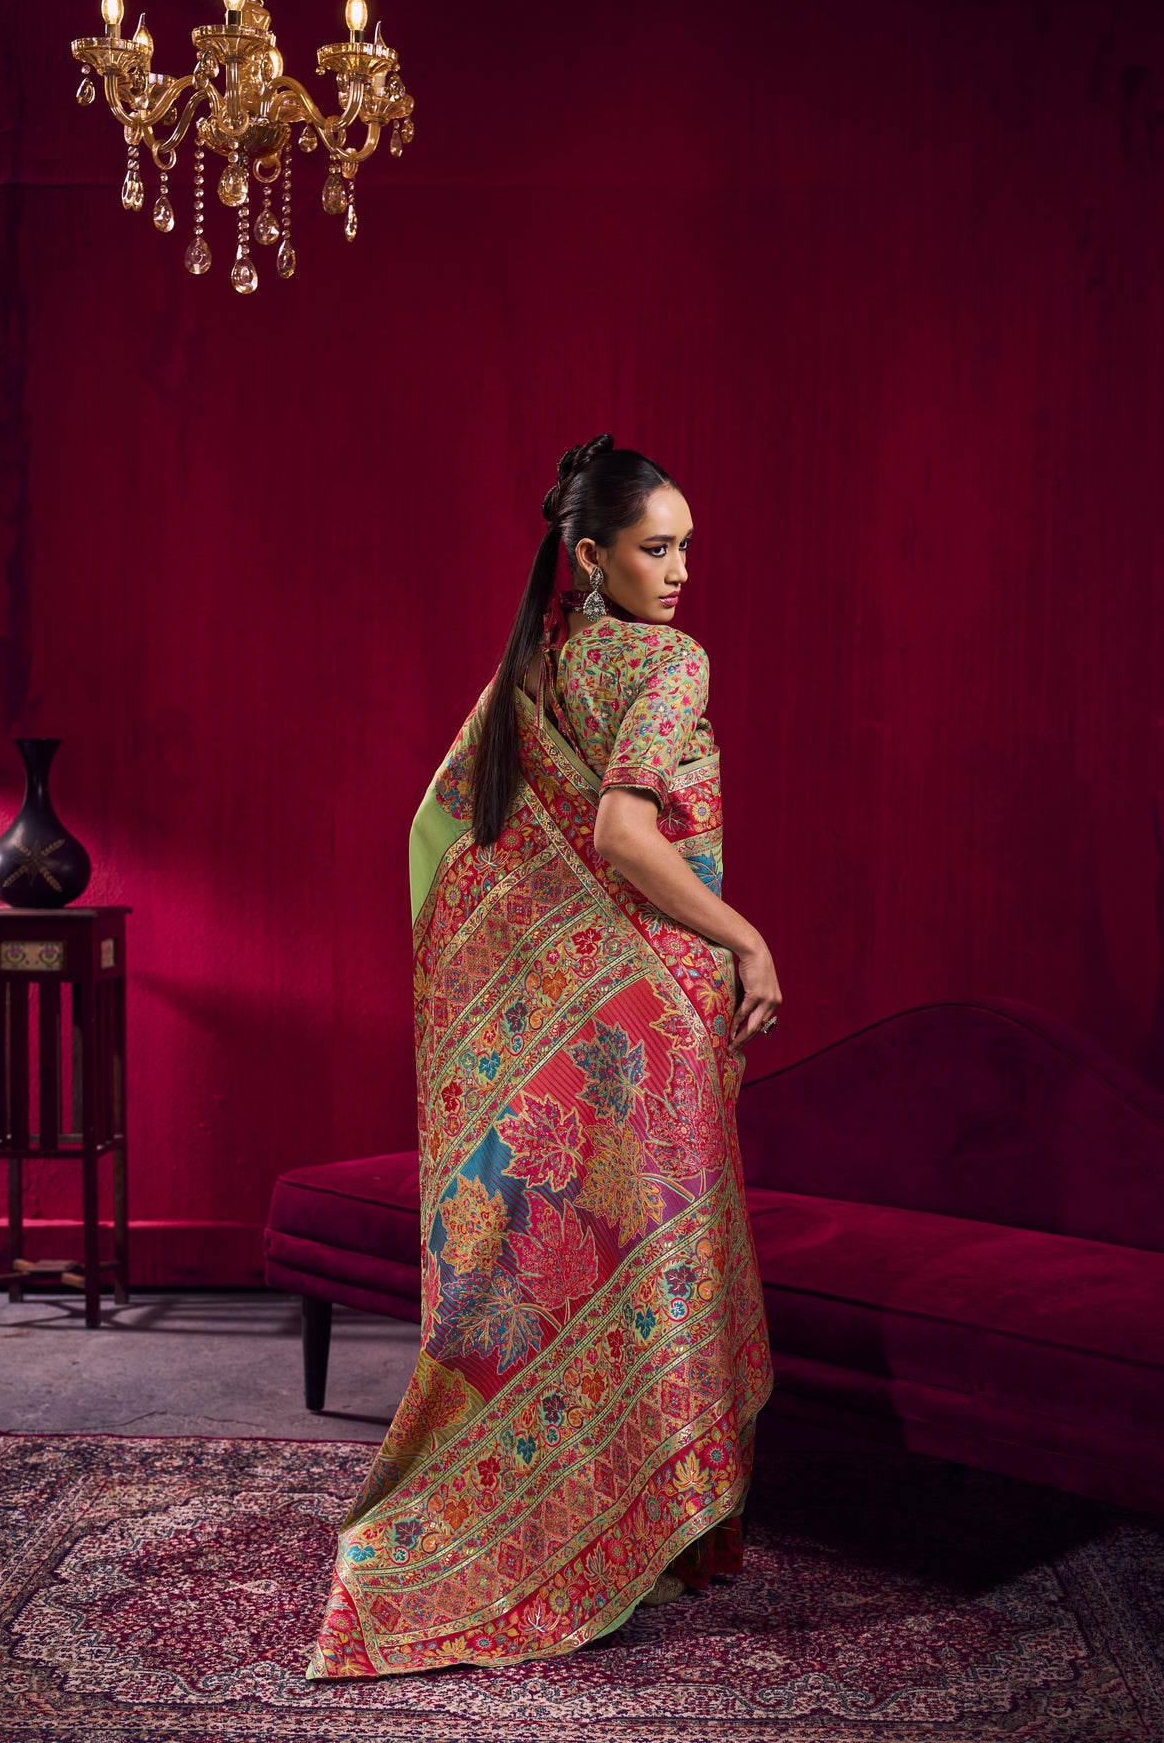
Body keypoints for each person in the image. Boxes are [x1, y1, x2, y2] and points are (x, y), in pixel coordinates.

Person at [307, 434, 782, 1679]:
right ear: (590, 556)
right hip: (661, 1013)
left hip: (583, 1017)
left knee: (594, 1273)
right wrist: (746, 939)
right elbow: (624, 834)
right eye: (655, 548)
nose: (680, 571)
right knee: (660, 1272)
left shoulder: (535, 668)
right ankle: (655, 1535)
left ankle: (600, 1525)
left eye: (685, 547)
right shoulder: (671, 662)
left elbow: (445, 839)